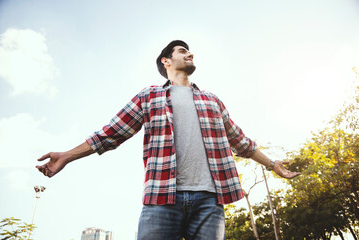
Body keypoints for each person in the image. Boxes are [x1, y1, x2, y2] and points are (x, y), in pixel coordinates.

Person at [36, 40, 300, 240]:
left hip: (209, 200)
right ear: (166, 61)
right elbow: (111, 133)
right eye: (182, 51)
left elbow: (240, 141)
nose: (190, 54)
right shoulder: (149, 96)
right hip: (162, 198)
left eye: (190, 51)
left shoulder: (212, 100)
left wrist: (272, 163)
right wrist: (68, 155)